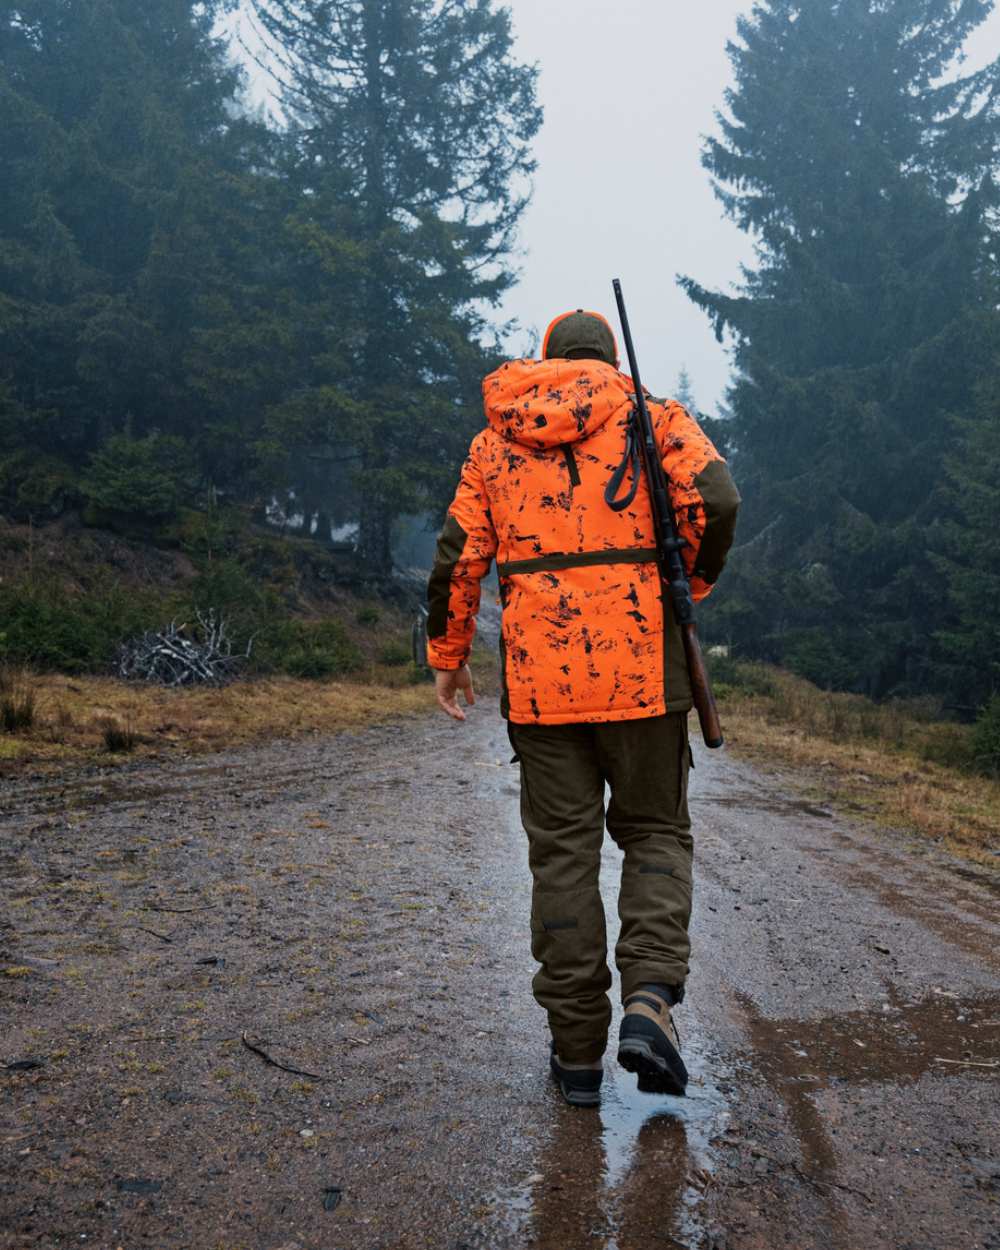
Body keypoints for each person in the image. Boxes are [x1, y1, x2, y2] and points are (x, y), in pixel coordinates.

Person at [426, 309, 740, 1106]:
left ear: (547, 362)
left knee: (562, 857)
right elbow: (718, 497)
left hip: (541, 686)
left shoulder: (495, 441)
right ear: (605, 358)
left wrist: (449, 655)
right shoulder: (652, 417)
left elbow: (459, 555)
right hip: (642, 674)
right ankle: (649, 1003)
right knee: (656, 831)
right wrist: (686, 587)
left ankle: (575, 1059)